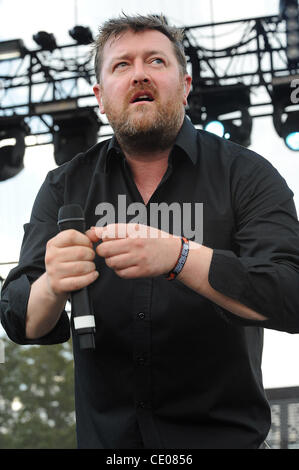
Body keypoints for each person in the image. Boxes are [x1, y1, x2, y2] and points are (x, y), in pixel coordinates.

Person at [1, 13, 299, 450]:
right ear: (101, 97)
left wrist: (181, 257)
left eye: (156, 61)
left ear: (185, 84)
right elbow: (18, 319)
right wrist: (52, 284)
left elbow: (291, 295)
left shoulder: (247, 175)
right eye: (122, 65)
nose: (139, 73)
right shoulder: (65, 185)